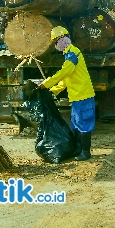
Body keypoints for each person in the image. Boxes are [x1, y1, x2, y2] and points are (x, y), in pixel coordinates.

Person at [38, 26, 95, 161]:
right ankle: (78, 148)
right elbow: (67, 79)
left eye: (57, 40)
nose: (57, 44)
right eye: (55, 42)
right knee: (76, 123)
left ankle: (86, 152)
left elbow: (64, 73)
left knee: (84, 124)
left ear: (64, 38)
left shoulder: (72, 54)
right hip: (76, 96)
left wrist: (47, 83)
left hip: (83, 95)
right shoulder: (68, 54)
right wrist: (53, 90)